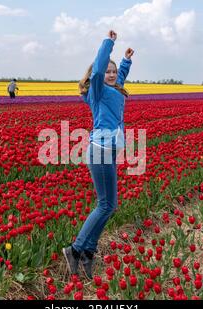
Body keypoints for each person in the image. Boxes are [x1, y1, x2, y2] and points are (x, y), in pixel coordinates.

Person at [63, 30, 134, 279]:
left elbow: (120, 78)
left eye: (114, 72)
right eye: (108, 72)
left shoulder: (113, 89)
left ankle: (87, 252)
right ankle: (76, 249)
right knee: (105, 204)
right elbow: (99, 70)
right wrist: (109, 43)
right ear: (99, 76)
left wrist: (125, 62)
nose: (112, 75)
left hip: (110, 152)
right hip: (101, 150)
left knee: (110, 205)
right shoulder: (98, 91)